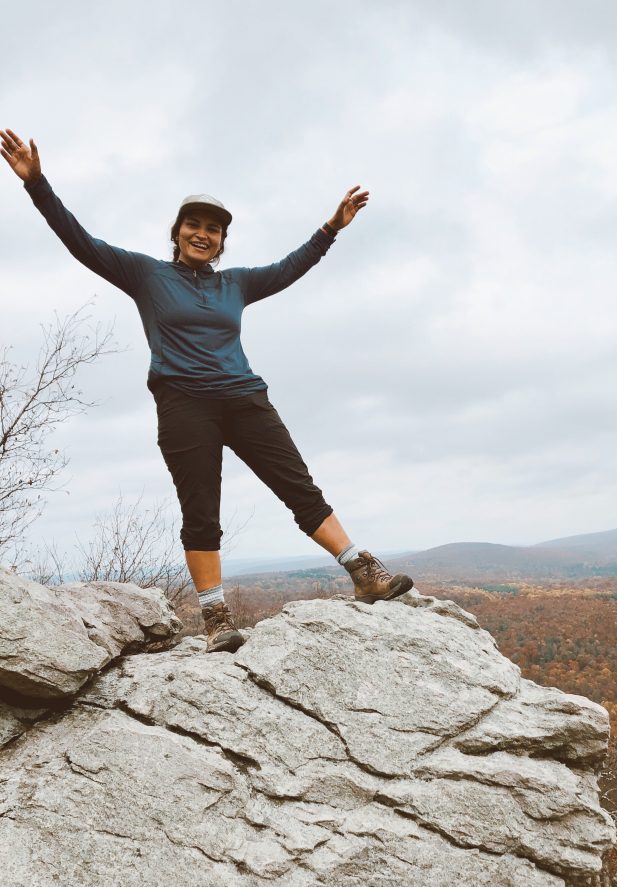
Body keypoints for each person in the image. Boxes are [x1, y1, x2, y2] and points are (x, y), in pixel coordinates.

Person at [1, 128, 413, 653]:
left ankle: (362, 570)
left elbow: (291, 267)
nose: (203, 233)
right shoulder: (144, 274)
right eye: (193, 225)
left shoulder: (234, 284)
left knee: (298, 487)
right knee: (201, 509)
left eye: (214, 229)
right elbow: (79, 241)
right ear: (176, 233)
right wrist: (37, 184)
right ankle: (216, 616)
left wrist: (332, 227)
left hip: (245, 398)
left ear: (222, 241)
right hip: (183, 404)